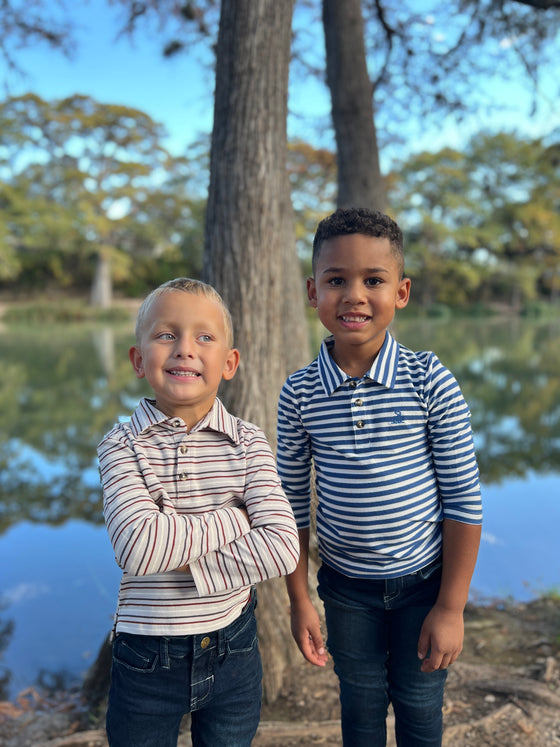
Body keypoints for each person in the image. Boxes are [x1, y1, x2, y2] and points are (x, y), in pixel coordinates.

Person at [277, 208, 482, 746]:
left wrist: (451, 607)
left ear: (402, 291)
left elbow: (463, 500)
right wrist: (300, 598)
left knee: (419, 708)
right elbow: (291, 505)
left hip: (423, 587)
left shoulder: (429, 379)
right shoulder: (299, 393)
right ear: (312, 290)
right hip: (346, 592)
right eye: (336, 280)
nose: (354, 295)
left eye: (374, 280)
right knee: (361, 708)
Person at [98, 277, 299, 747]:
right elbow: (138, 548)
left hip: (235, 646)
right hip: (146, 658)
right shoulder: (121, 444)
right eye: (166, 335)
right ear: (138, 358)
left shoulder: (249, 442)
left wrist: (183, 553)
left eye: (204, 337)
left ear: (229, 363)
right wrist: (237, 518)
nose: (185, 349)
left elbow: (284, 547)